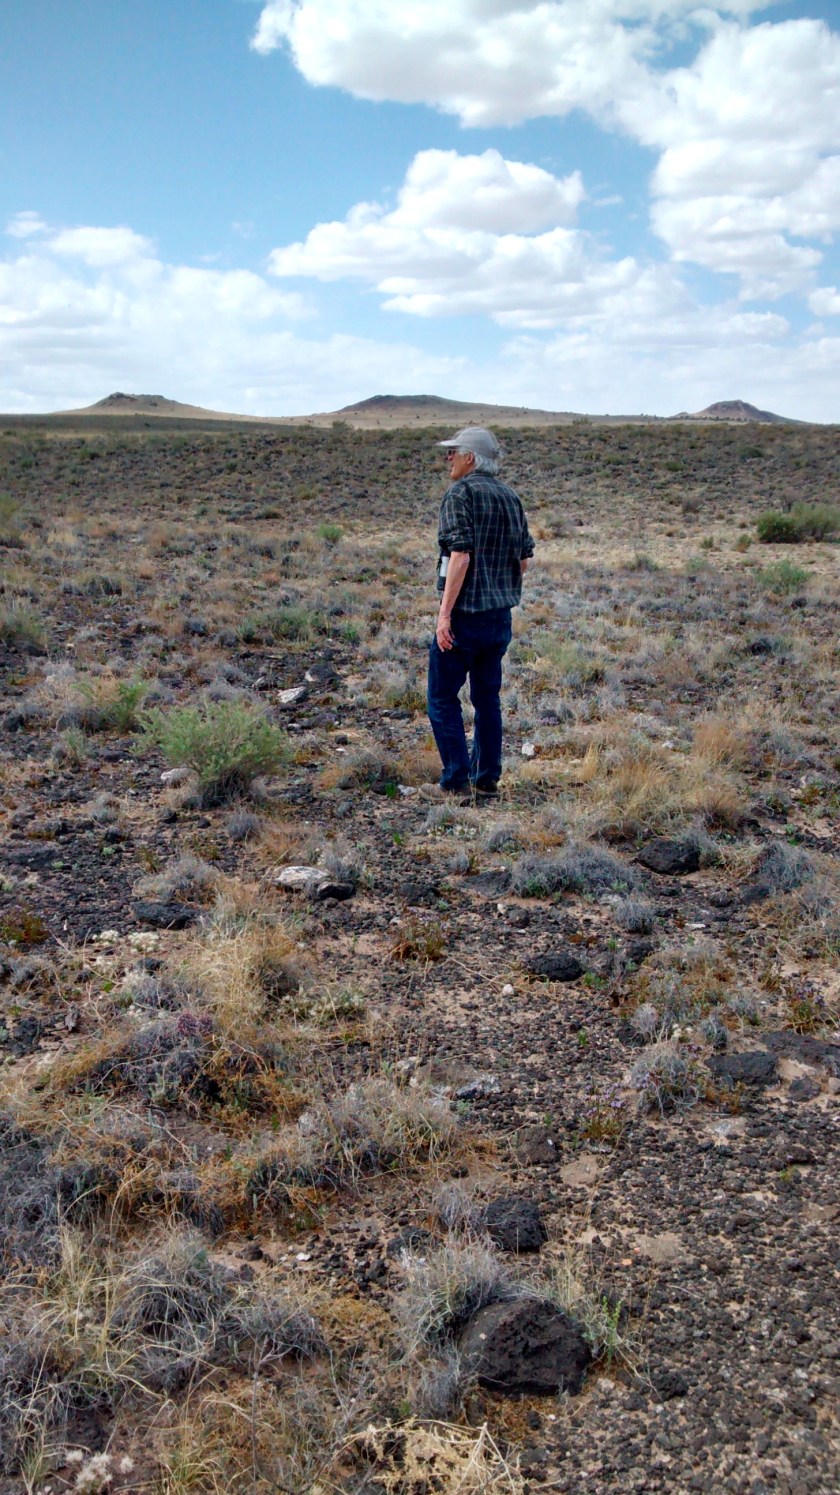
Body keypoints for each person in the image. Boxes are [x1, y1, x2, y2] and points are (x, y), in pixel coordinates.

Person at [427, 425, 534, 799]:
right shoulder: (510, 497)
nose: (448, 458)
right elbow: (523, 561)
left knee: (442, 698)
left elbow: (460, 555)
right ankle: (486, 778)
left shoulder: (460, 494)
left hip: (465, 616)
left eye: (454, 452)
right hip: (499, 617)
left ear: (470, 458)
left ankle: (455, 781)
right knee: (487, 699)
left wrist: (444, 615)